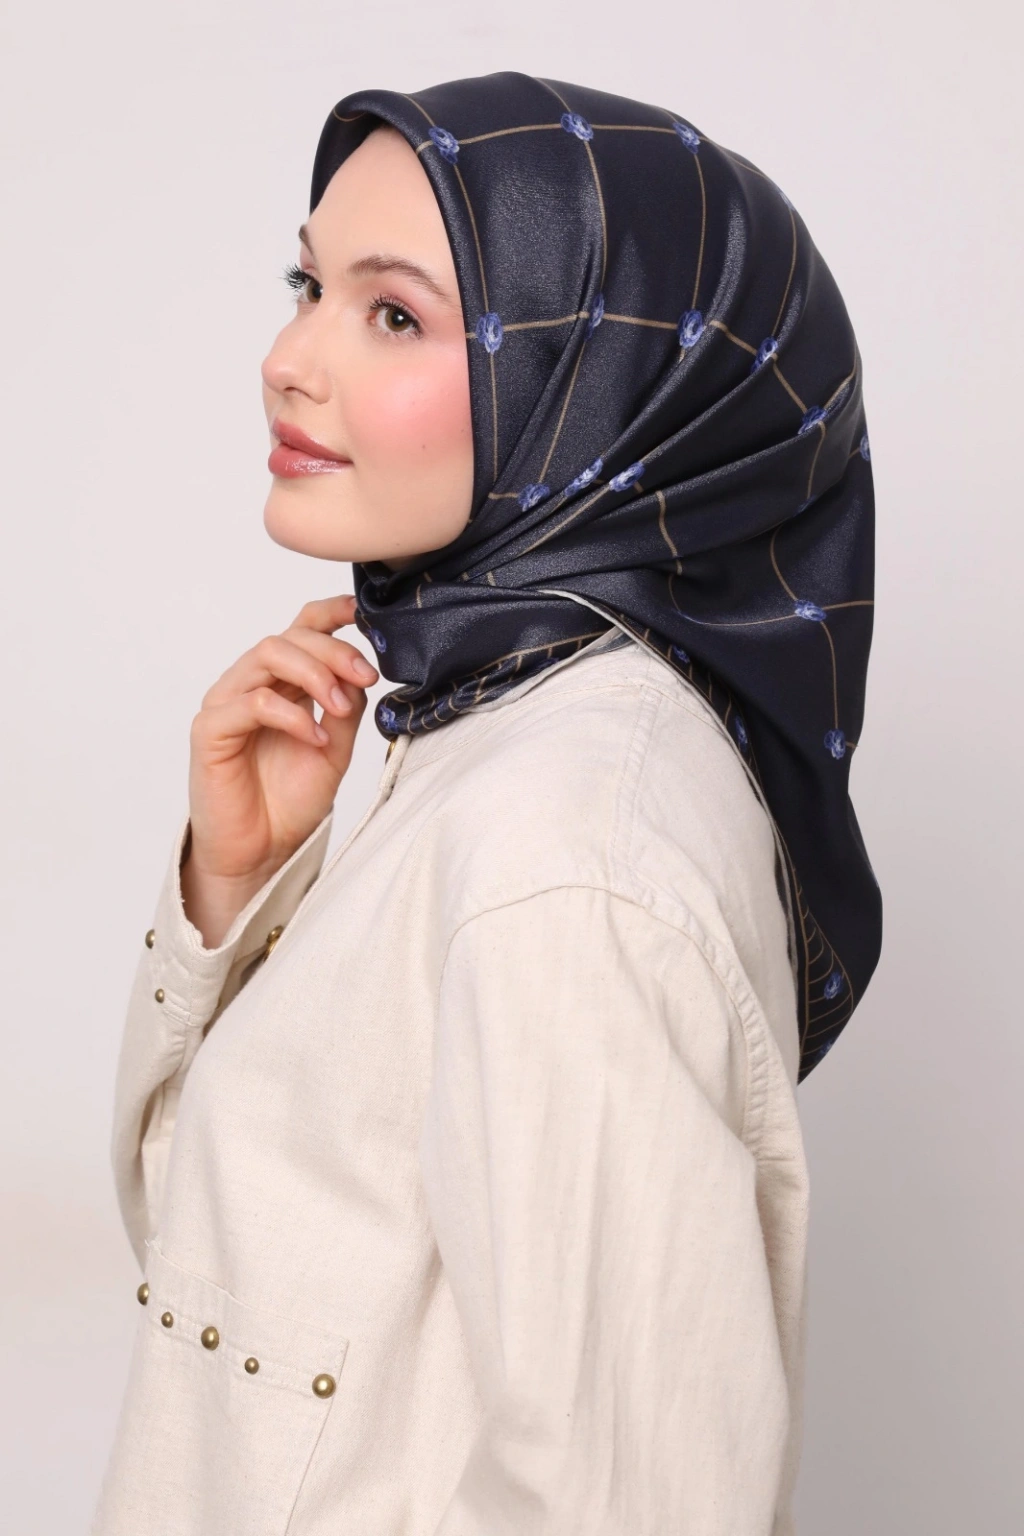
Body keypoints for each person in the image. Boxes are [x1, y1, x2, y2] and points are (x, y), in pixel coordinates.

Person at [91, 71, 880, 1536]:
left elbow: (635, 1505)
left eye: (393, 314)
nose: (288, 359)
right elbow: (238, 1294)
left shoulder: (569, 850)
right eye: (308, 286)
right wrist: (237, 888)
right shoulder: (489, 729)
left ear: (598, 385)